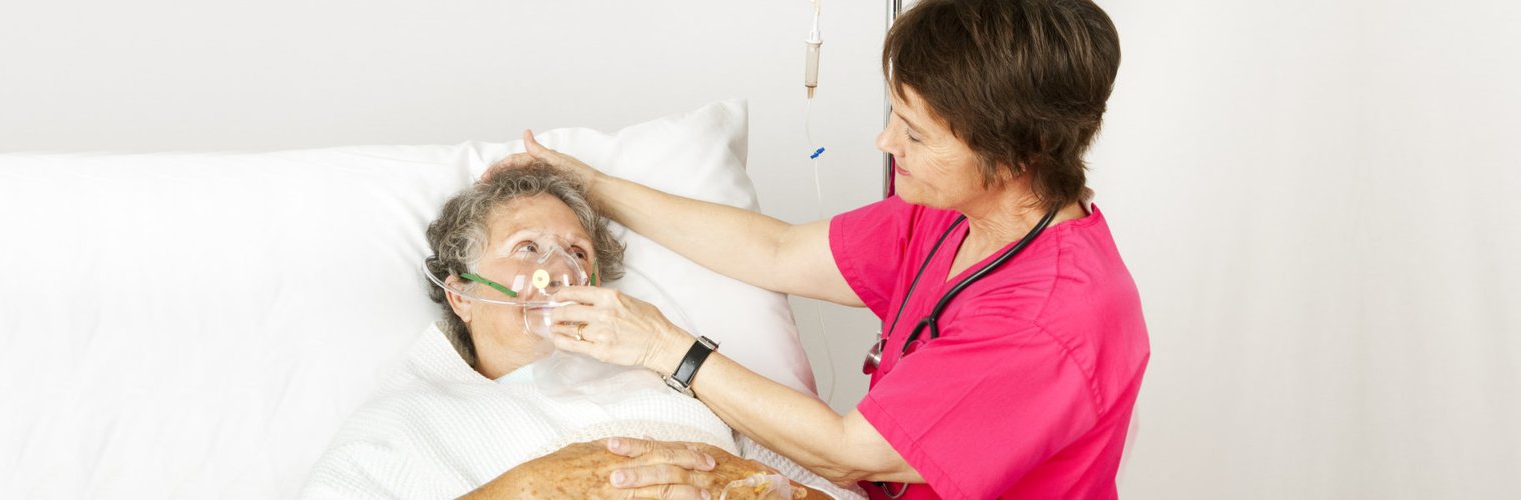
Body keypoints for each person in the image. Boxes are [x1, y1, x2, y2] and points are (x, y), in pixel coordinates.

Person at [493, 0, 1150, 498]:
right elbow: (776, 251)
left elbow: (851, 451)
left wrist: (664, 348)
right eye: (893, 113)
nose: (885, 144)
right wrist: (595, 187)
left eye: (915, 135)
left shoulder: (1052, 320)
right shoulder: (953, 216)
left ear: (1015, 155)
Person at [301, 161, 858, 499]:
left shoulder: (667, 383)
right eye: (526, 249)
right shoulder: (412, 419)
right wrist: (523, 491)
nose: (557, 271)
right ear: (459, 294)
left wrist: (759, 488)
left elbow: (829, 486)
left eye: (576, 252)